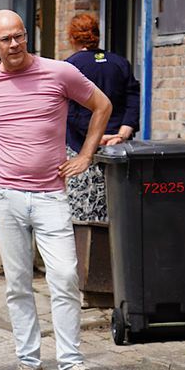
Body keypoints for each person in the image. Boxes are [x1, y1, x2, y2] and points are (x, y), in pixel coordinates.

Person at [0, 10, 113, 370]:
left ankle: (72, 368)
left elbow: (102, 106)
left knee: (64, 276)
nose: (14, 44)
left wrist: (86, 155)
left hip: (50, 195)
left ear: (26, 36)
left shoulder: (59, 73)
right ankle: (29, 367)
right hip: (6, 196)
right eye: (5, 39)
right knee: (17, 284)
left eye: (19, 36)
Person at [63, 12, 140, 223]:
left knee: (84, 213)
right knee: (118, 211)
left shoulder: (69, 66)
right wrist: (123, 132)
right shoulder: (120, 63)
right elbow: (133, 97)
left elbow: (70, 110)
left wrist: (96, 136)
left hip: (82, 150)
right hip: (118, 147)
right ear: (97, 35)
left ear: (72, 37)